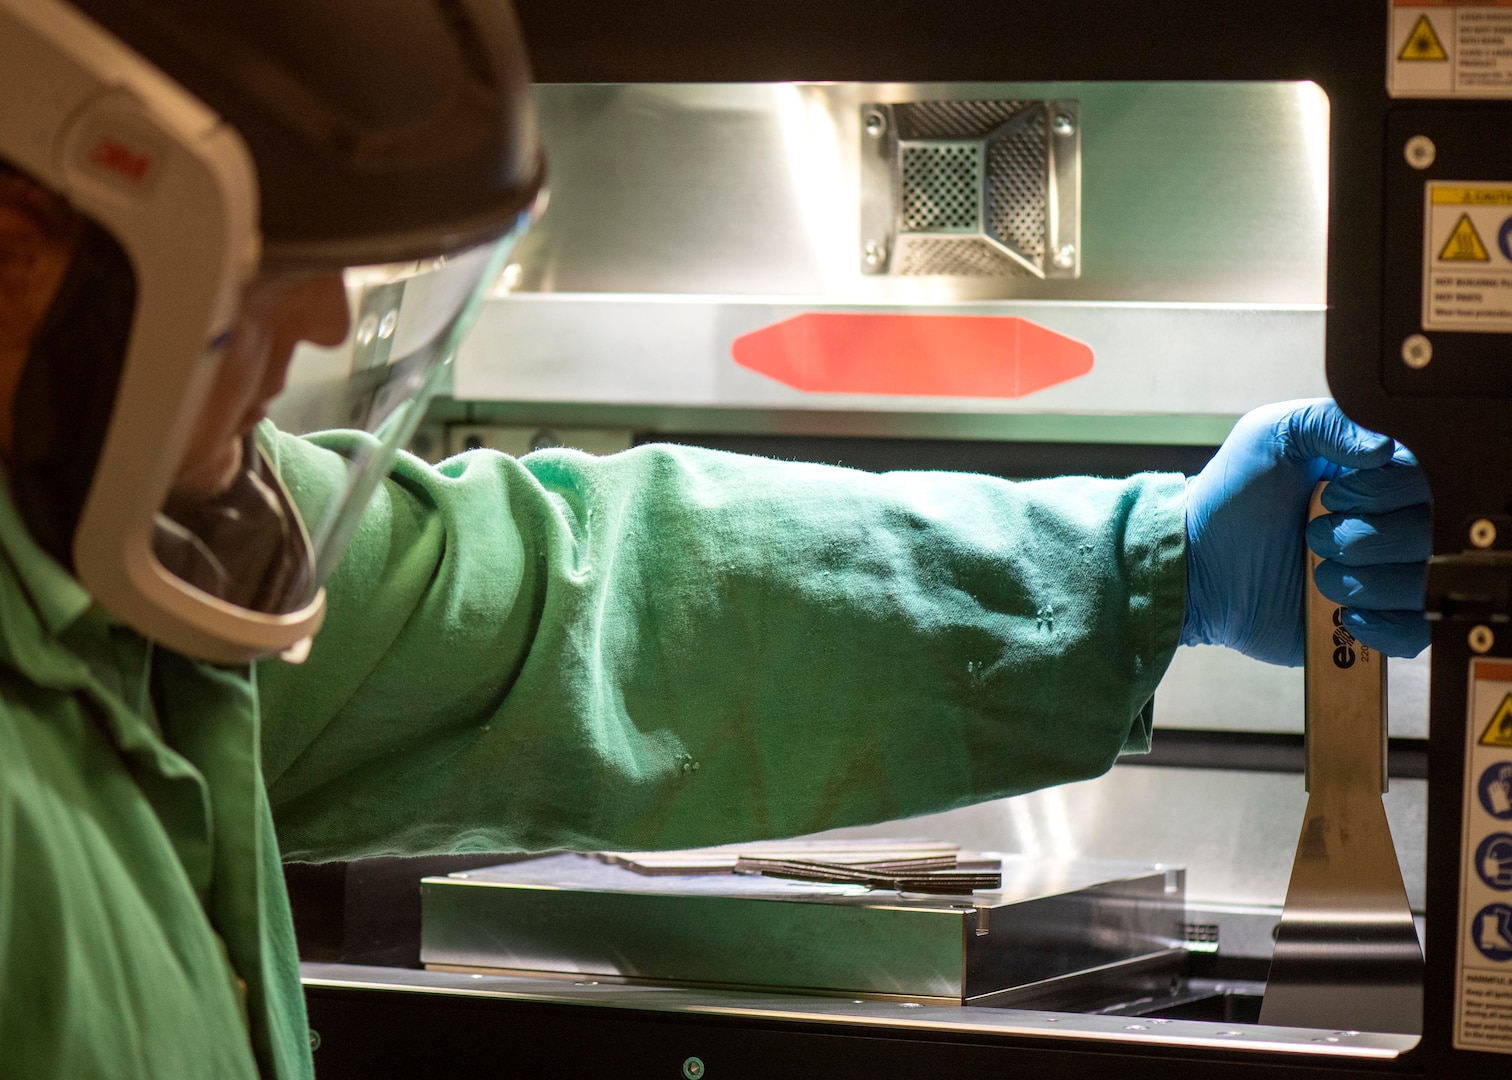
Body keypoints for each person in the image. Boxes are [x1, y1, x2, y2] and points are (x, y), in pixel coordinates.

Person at [0, 0, 1431, 1077]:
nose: (318, 327)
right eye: (259, 262)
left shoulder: (155, 559)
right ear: (24, 249)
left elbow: (582, 611)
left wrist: (1142, 565)